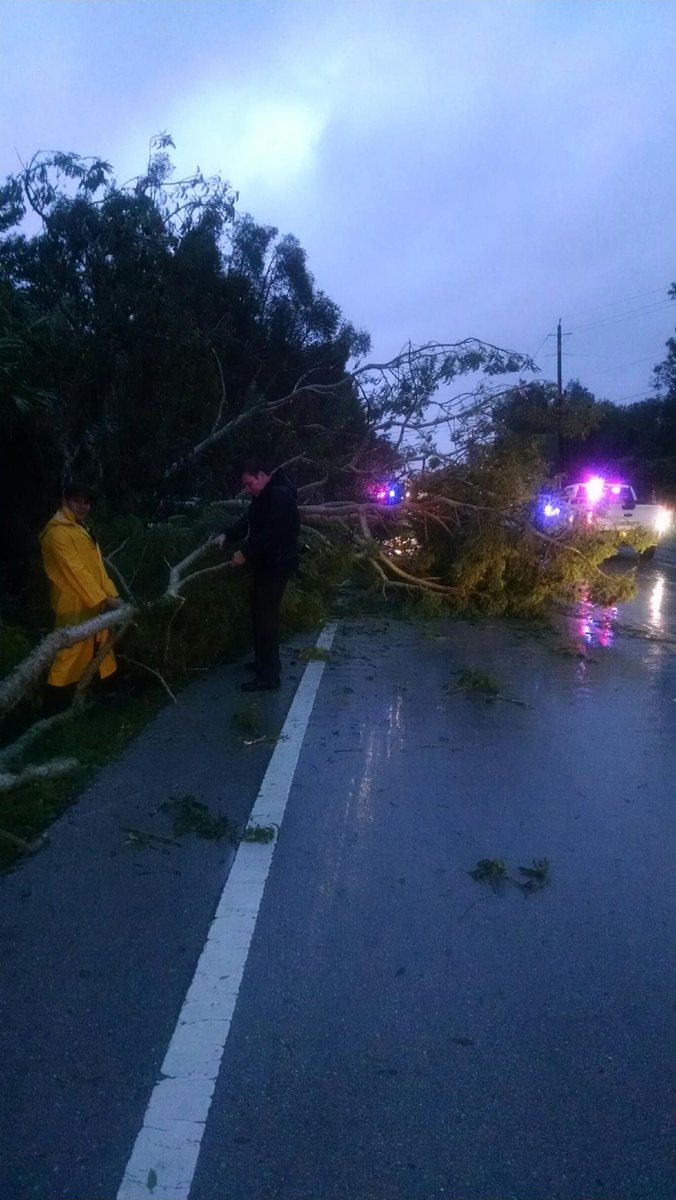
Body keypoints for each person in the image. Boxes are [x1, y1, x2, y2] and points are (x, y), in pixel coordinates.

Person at [215, 458, 300, 691]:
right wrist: (227, 534)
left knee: (266, 617)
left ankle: (269, 677)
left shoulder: (280, 495)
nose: (249, 489)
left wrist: (245, 552)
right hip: (269, 562)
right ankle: (265, 663)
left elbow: (273, 533)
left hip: (278, 563)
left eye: (250, 483)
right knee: (260, 612)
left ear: (262, 475)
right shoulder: (265, 495)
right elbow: (249, 520)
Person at [39, 481, 122, 711]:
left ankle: (106, 697)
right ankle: (53, 710)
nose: (83, 506)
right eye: (77, 501)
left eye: (86, 502)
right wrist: (104, 599)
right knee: (69, 655)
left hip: (96, 602)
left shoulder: (80, 528)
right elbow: (75, 572)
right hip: (73, 605)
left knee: (102, 647)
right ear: (65, 501)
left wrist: (112, 594)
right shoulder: (57, 533)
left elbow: (97, 567)